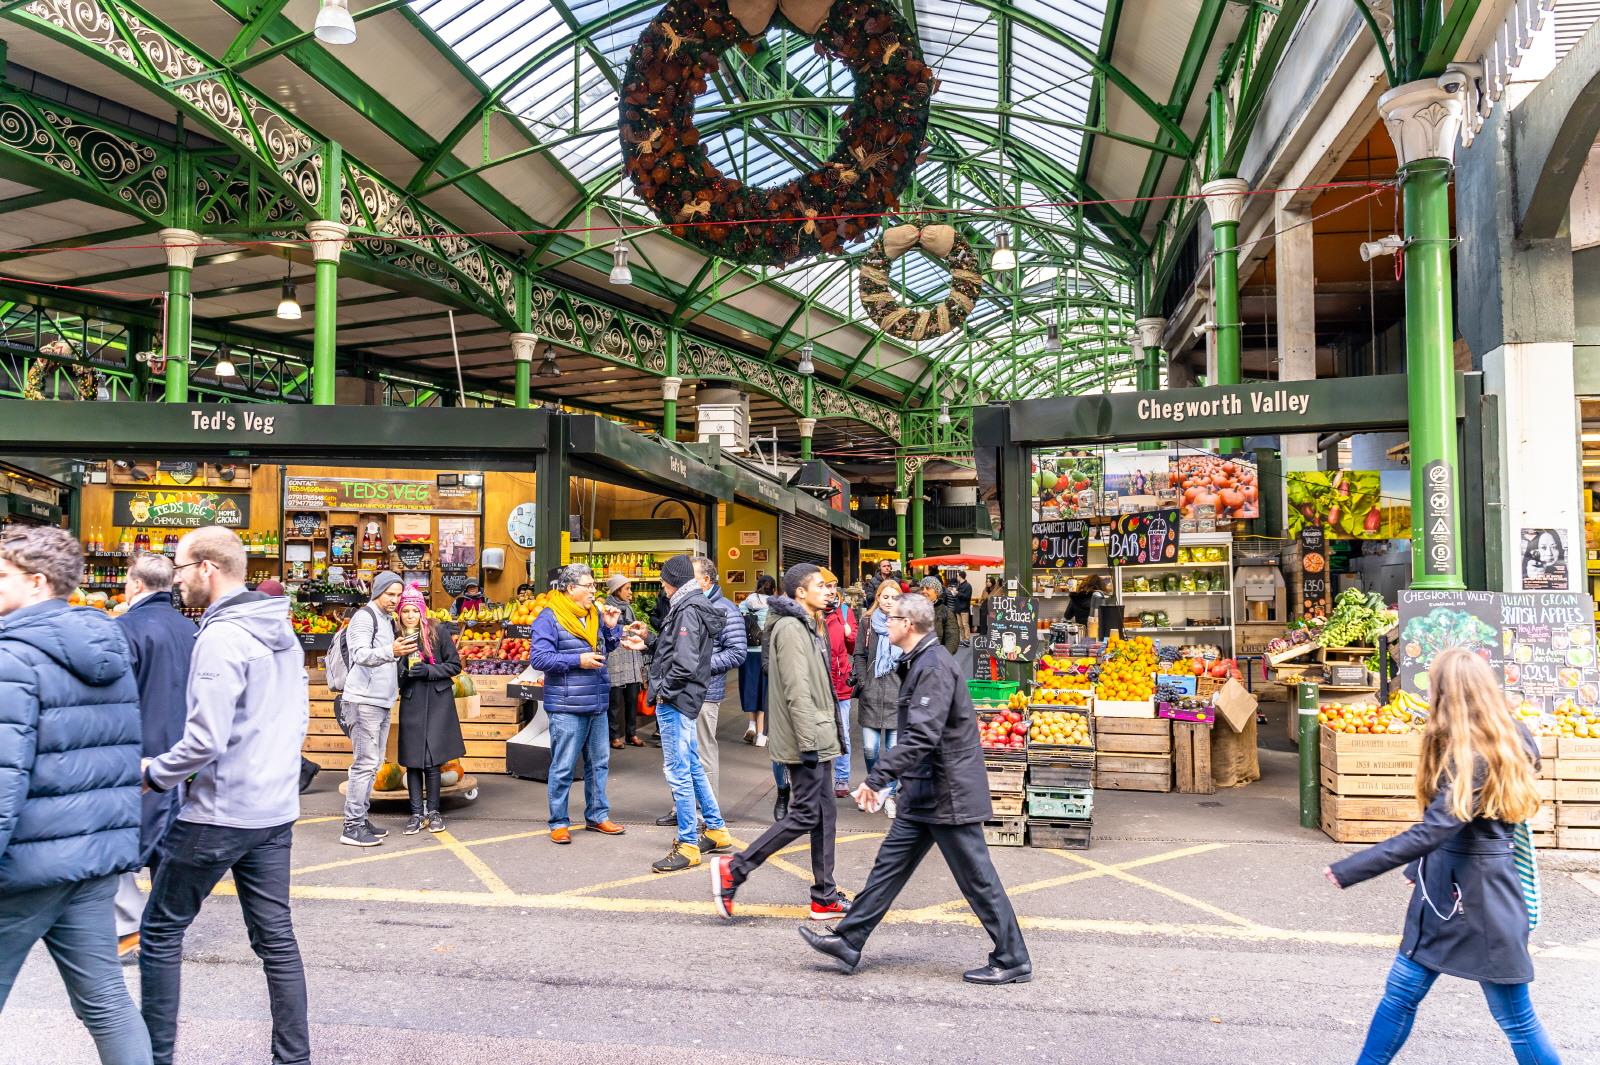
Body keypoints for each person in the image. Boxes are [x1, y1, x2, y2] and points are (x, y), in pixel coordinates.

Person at [1326, 648, 1560, 1064]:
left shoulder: (1472, 756)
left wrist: (1351, 868)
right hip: (1457, 894)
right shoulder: (1509, 736)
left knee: (1516, 1019)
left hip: (1479, 905)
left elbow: (1435, 829)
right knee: (1400, 996)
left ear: (1446, 694)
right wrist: (1420, 868)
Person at [140, 526, 309, 1065]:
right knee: (276, 942)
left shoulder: (220, 637)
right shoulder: (280, 630)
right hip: (274, 808)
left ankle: (154, 1056)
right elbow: (295, 720)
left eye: (182, 568)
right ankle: (293, 1059)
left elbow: (204, 741)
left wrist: (154, 773)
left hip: (219, 812)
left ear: (208, 569)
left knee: (160, 932)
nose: (178, 579)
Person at [799, 593, 1031, 985]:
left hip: (947, 792)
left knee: (978, 879)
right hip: (926, 791)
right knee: (888, 868)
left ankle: (1012, 958)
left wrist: (876, 777)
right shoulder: (921, 661)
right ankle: (849, 939)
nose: (885, 624)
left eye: (890, 619)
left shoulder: (933, 666)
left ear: (908, 625)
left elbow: (922, 734)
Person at [0, 526, 151, 1063]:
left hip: (25, 865)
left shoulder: (12, 658)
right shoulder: (108, 648)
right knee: (106, 1000)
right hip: (92, 859)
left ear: (37, 583)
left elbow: (4, 775)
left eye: (2, 576)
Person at [711, 563, 848, 921]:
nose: (828, 590)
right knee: (806, 813)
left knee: (825, 814)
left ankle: (824, 895)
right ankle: (735, 869)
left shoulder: (808, 623)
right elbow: (796, 689)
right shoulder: (789, 627)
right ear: (800, 593)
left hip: (817, 731)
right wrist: (808, 741)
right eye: (820, 585)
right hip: (807, 736)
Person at [113, 551, 197, 962]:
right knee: (167, 846)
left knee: (119, 843)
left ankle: (131, 930)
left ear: (135, 585)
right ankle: (165, 929)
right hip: (182, 756)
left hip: (137, 756)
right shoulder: (192, 629)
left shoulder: (126, 628)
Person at [632, 554, 734, 872]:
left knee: (678, 771)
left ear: (673, 581)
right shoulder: (694, 604)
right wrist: (649, 640)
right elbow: (676, 648)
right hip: (687, 697)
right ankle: (716, 830)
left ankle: (688, 844)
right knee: (692, 765)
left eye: (664, 582)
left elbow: (685, 662)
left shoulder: (687, 608)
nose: (662, 587)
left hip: (676, 700)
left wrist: (663, 691)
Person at [528, 563, 627, 844]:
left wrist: (610, 630)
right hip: (566, 705)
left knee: (599, 763)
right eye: (589, 586)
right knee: (564, 766)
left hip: (596, 700)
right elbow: (540, 659)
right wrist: (577, 660)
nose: (594, 591)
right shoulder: (549, 618)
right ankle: (559, 822)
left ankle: (597, 816)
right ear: (571, 589)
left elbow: (605, 648)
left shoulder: (594, 614)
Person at [339, 570, 410, 848]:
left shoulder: (386, 619)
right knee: (364, 764)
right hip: (362, 701)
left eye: (398, 594)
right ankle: (352, 826)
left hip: (380, 701)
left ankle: (361, 817)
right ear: (377, 592)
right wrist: (390, 651)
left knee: (374, 765)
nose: (395, 599)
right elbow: (359, 654)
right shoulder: (363, 617)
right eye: (390, 594)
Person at [395, 583, 464, 835]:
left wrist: (429, 671)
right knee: (413, 760)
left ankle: (433, 812)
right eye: (405, 611)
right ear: (400, 614)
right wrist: (402, 668)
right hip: (412, 700)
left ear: (422, 610)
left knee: (432, 760)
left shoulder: (438, 632)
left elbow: (454, 666)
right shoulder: (397, 637)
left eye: (414, 610)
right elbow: (392, 673)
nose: (410, 615)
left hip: (437, 701)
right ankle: (415, 813)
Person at [692, 556, 747, 799]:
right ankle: (683, 808)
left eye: (690, 577)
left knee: (703, 752)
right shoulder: (688, 606)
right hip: (683, 691)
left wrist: (697, 665)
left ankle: (707, 811)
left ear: (705, 580)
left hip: (705, 691)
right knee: (683, 755)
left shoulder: (725, 608)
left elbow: (736, 653)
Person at [852, 579, 904, 819]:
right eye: (885, 596)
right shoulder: (867, 622)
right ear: (878, 597)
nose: (889, 601)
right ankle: (876, 788)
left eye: (894, 597)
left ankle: (890, 795)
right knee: (871, 748)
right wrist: (863, 681)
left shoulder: (905, 623)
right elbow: (859, 654)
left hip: (897, 693)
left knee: (892, 751)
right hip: (871, 693)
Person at [819, 567, 857, 798]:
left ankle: (842, 779)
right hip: (819, 681)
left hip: (841, 679)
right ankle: (820, 779)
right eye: (826, 586)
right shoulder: (812, 612)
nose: (831, 591)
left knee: (842, 731)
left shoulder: (844, 611)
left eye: (833, 586)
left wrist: (848, 633)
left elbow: (854, 647)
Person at [604, 574, 645, 749]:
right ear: (617, 590)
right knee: (614, 700)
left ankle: (631, 733)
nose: (630, 592)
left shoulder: (629, 608)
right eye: (627, 588)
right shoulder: (607, 608)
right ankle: (613, 736)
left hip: (631, 656)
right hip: (615, 657)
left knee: (632, 698)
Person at [739, 574, 776, 746]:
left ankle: (751, 725)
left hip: (747, 652)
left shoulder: (744, 604)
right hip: (765, 653)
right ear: (773, 589)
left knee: (750, 688)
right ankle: (761, 735)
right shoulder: (774, 607)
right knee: (764, 691)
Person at [920, 575, 962, 655]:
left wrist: (943, 657)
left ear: (936, 591)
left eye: (928, 588)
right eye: (922, 588)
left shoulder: (945, 612)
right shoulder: (914, 609)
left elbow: (952, 637)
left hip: (936, 659)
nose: (924, 591)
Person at [952, 570, 974, 643]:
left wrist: (958, 593)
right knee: (960, 625)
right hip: (958, 608)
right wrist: (953, 592)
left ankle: (967, 639)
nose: (957, 577)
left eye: (957, 576)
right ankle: (963, 639)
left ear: (960, 576)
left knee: (965, 624)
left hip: (964, 608)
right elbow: (958, 596)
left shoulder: (968, 586)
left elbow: (967, 597)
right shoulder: (959, 585)